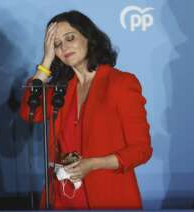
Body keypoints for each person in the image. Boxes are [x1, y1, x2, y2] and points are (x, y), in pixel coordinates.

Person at [19, 10, 153, 209]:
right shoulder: (60, 89)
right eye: (56, 44)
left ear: (88, 37)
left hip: (108, 197)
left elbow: (141, 150)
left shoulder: (121, 83)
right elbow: (31, 113)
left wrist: (93, 164)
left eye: (70, 38)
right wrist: (46, 62)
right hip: (63, 198)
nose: (64, 47)